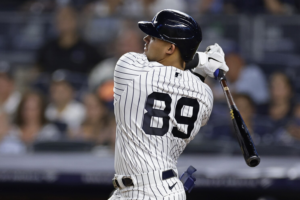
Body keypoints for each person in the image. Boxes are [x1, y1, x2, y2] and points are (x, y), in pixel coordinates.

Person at [109, 9, 228, 200]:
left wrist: (201, 59)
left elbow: (169, 72)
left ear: (170, 48)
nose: (146, 39)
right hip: (163, 189)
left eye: (155, 37)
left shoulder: (129, 68)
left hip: (149, 191)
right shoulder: (205, 94)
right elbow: (181, 77)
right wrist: (204, 63)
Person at [36, 6, 102, 74]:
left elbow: (99, 71)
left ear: (76, 21)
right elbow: (36, 70)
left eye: (66, 18)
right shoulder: (47, 48)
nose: (62, 22)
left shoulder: (89, 50)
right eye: (59, 19)